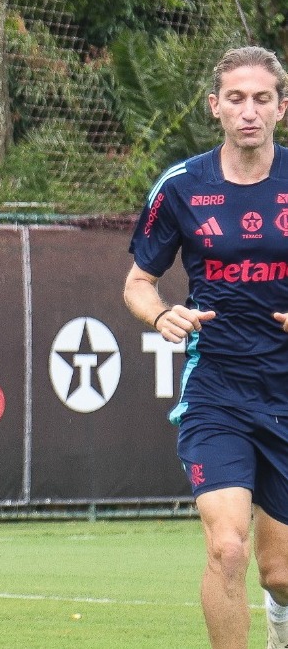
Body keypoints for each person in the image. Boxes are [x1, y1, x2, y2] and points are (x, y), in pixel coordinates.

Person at [124, 45, 288, 649]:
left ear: (282, 108)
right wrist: (163, 314)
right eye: (237, 99)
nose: (250, 111)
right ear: (215, 107)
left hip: (286, 394)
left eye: (262, 99)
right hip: (216, 391)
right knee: (226, 548)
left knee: (281, 574)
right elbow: (138, 283)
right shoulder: (182, 186)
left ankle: (279, 618)